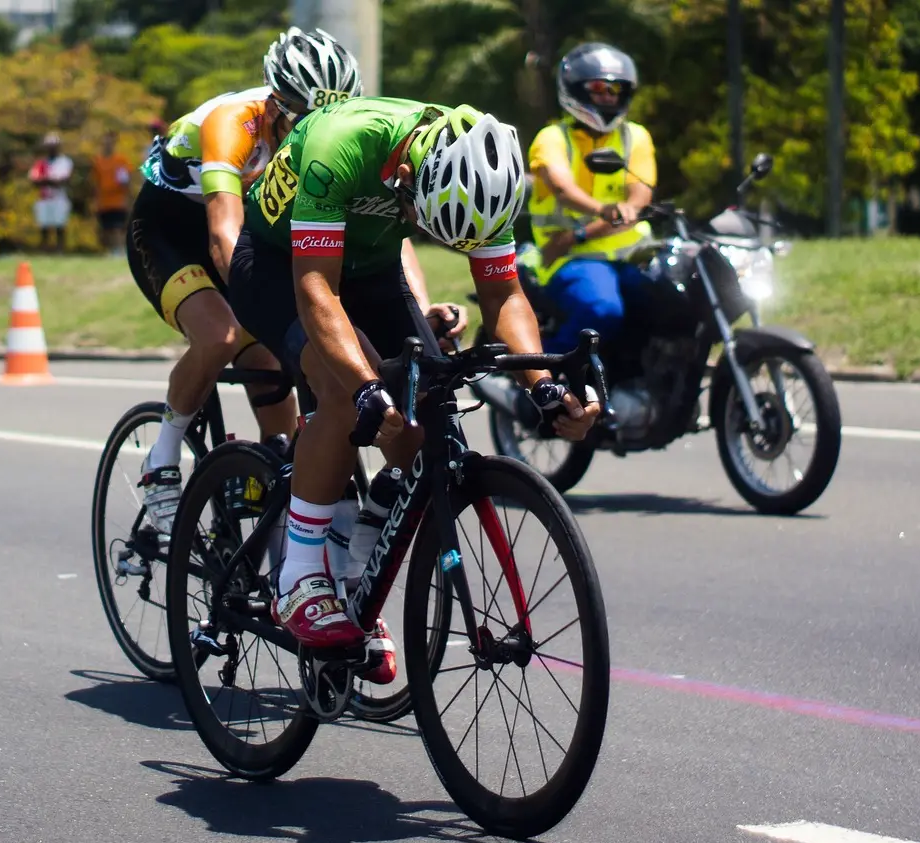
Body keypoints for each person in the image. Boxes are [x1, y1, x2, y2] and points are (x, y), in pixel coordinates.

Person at [227, 97, 602, 683]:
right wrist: (366, 389)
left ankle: (358, 558)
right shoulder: (340, 144)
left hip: (372, 268)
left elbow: (503, 296)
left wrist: (546, 386)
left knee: (422, 421)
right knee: (342, 388)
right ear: (407, 177)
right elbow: (317, 293)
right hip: (279, 263)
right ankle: (299, 574)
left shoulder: (486, 175)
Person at [125, 27, 369, 535]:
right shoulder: (232, 122)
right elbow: (223, 235)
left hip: (247, 222)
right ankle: (163, 456)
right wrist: (273, 306)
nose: (317, 134)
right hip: (174, 227)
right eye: (304, 121)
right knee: (223, 334)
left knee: (274, 372)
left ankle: (272, 496)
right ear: (275, 105)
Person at [526, 43, 657, 355]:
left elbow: (639, 198)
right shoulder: (552, 138)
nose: (609, 96)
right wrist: (605, 211)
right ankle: (540, 377)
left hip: (634, 256)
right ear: (575, 89)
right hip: (570, 259)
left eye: (616, 89)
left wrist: (584, 231)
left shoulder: (635, 136)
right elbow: (563, 189)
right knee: (603, 311)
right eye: (599, 88)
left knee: (678, 302)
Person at [29, 132, 74, 253]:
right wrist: (50, 180)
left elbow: (63, 180)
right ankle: (44, 251)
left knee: (60, 226)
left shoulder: (64, 162)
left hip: (59, 198)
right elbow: (34, 180)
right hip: (44, 198)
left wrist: (45, 180)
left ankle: (60, 251)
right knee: (44, 227)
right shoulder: (41, 163)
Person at [91, 131, 132, 254]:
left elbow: (125, 180)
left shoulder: (120, 160)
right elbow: (95, 182)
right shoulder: (98, 161)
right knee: (106, 228)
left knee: (117, 227)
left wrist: (127, 197)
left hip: (118, 199)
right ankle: (110, 250)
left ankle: (119, 250)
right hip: (103, 200)